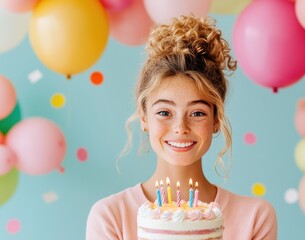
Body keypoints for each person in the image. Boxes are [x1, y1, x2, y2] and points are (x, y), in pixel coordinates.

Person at [86, 15, 277, 240]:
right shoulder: (111, 216)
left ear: (216, 119)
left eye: (197, 113)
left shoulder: (254, 217)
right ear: (144, 118)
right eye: (164, 113)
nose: (180, 128)